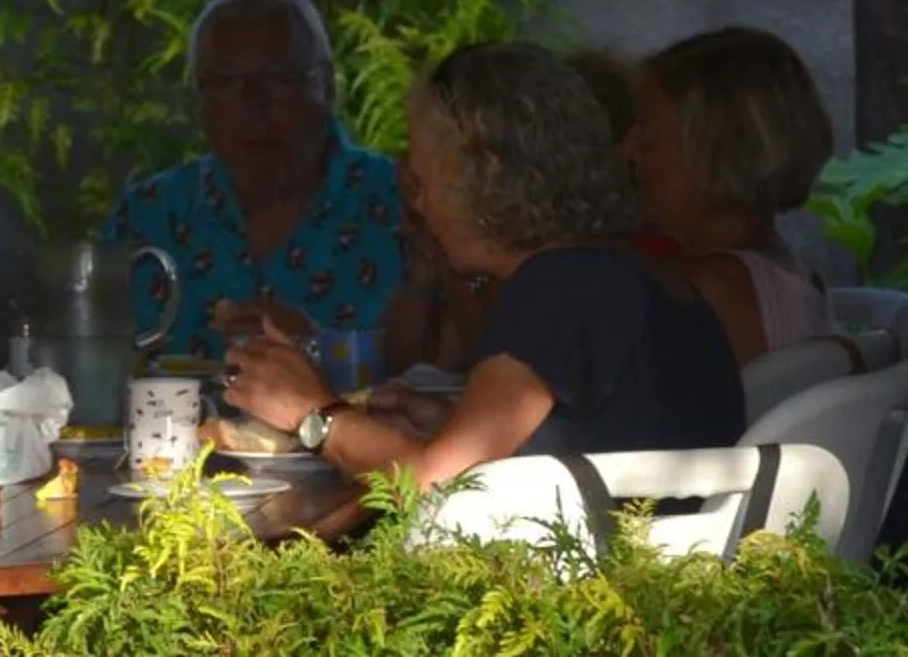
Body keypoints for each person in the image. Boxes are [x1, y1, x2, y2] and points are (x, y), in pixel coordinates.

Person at [222, 43, 741, 484]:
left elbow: (434, 484)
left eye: (425, 180)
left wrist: (312, 415)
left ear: (480, 181)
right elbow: (603, 437)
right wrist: (447, 421)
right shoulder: (627, 270)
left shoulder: (560, 289)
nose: (418, 204)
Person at [98, 0, 406, 359]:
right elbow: (85, 366)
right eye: (226, 81)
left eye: (280, 78)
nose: (253, 102)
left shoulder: (401, 203)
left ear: (327, 87)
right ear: (198, 101)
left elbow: (463, 376)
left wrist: (320, 349)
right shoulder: (149, 215)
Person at [626, 26, 838, 362]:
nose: (629, 150)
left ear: (713, 154)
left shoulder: (714, 289)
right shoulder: (777, 267)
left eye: (648, 135)